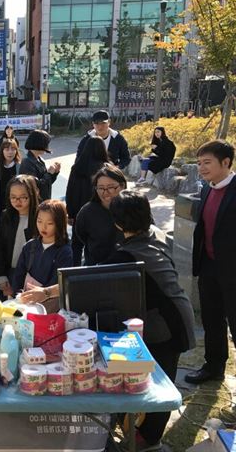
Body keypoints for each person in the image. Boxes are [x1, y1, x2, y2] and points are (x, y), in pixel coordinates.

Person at [104, 190, 195, 450]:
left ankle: (149, 438)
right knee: (160, 376)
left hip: (166, 323)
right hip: (177, 311)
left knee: (159, 384)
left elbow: (94, 279)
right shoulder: (155, 234)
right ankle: (142, 432)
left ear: (118, 224)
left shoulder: (125, 256)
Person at [185, 140, 236, 385]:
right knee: (212, 320)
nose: (201, 168)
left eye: (207, 163)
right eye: (199, 163)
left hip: (233, 270)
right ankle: (213, 367)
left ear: (225, 162)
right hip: (209, 266)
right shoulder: (207, 188)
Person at [14, 199, 72, 313]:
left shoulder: (65, 251)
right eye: (39, 221)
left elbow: (60, 282)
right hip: (26, 302)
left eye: (49, 223)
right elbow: (19, 275)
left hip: (49, 306)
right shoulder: (30, 246)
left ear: (59, 223)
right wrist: (18, 294)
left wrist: (43, 293)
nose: (43, 227)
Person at [0, 175, 40, 299]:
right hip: (10, 273)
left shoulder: (41, 217)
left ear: (33, 194)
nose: (18, 201)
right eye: (13, 197)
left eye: (23, 197)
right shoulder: (6, 216)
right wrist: (1, 276)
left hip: (34, 277)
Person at [72, 164, 126, 266]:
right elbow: (80, 238)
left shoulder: (135, 206)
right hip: (96, 270)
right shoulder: (86, 212)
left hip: (129, 269)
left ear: (122, 185)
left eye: (111, 187)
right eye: (100, 188)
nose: (105, 192)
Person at [65, 135, 108, 222]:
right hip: (100, 212)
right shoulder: (106, 168)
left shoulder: (77, 167)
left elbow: (70, 191)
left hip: (79, 211)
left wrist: (70, 213)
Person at [19, 130, 60, 202]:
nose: (47, 147)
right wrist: (49, 173)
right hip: (35, 204)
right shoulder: (27, 163)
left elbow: (47, 184)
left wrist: (55, 173)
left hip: (44, 202)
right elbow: (36, 187)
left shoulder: (40, 159)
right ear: (39, 143)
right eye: (46, 144)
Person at [0, 138, 22, 216]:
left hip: (16, 204)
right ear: (2, 151)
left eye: (13, 149)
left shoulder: (21, 167)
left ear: (16, 151)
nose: (10, 152)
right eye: (7, 149)